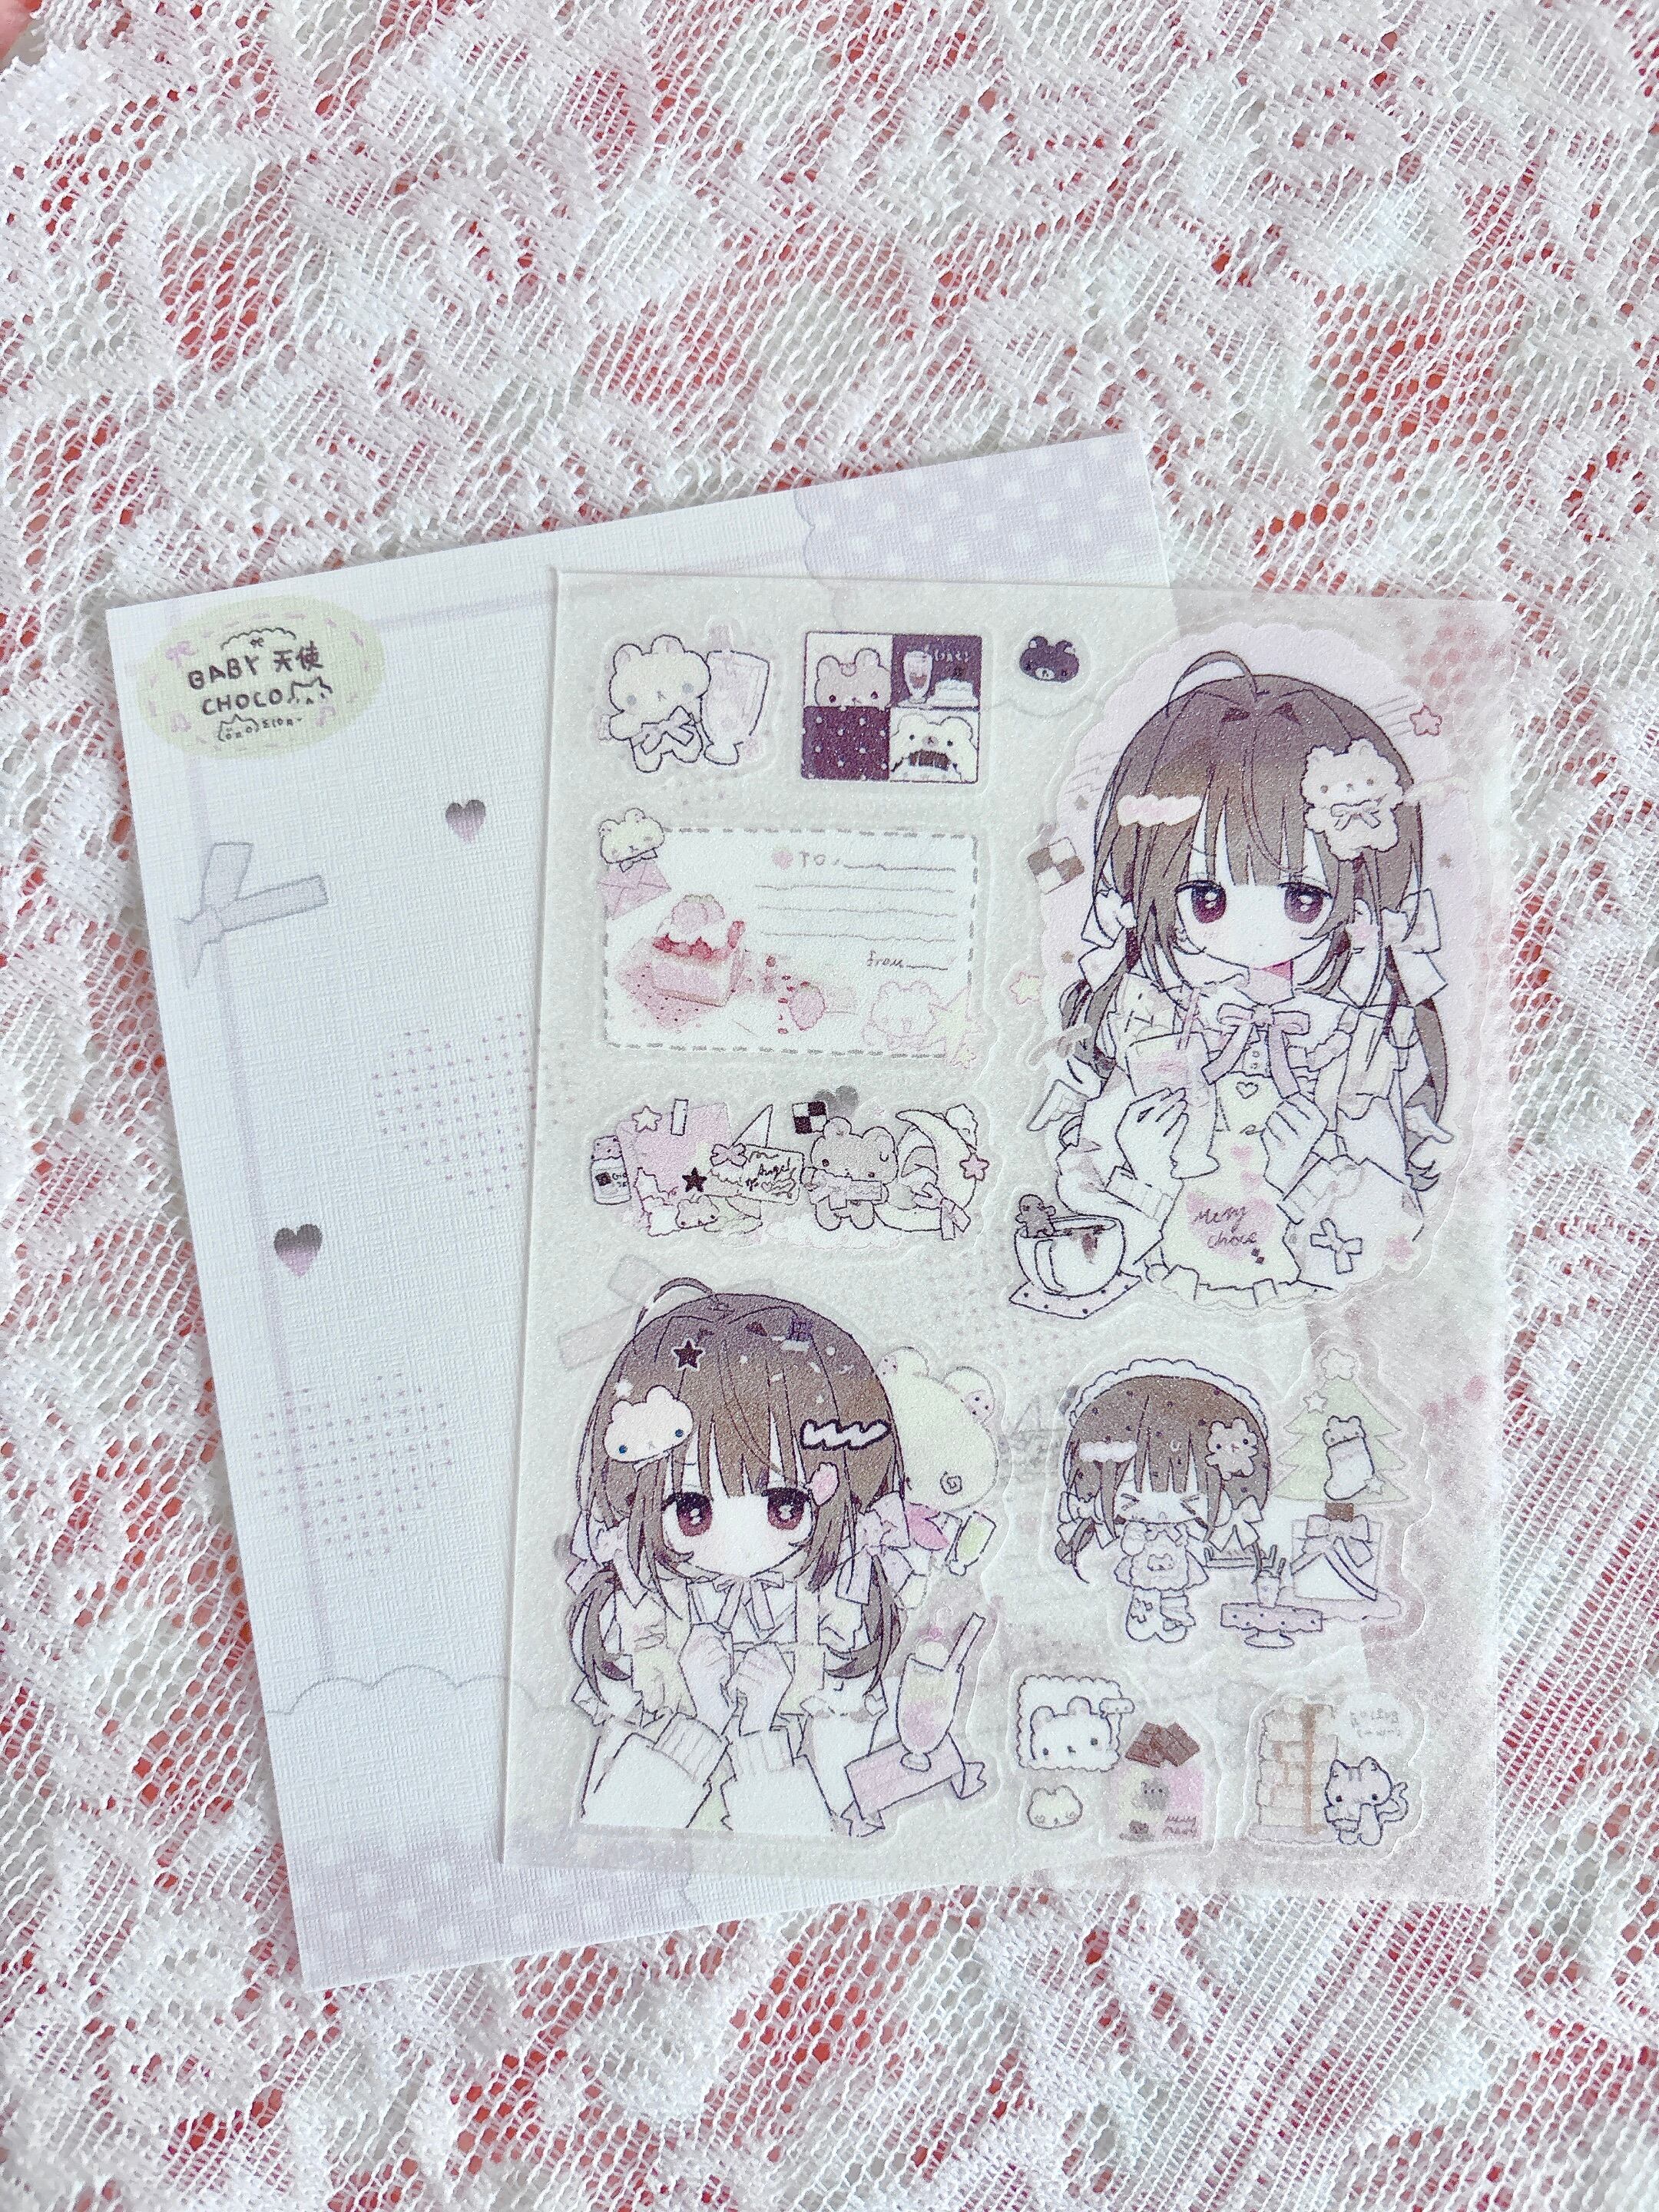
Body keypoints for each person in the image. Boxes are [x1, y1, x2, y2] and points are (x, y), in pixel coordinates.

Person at [1013, 651, 1450, 1313]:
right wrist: (1147, 1177)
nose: (1253, 947)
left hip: (1298, 1310)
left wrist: (1300, 1179)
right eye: (1207, 898)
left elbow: (1389, 1237)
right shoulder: (1146, 1028)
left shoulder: (1349, 1050)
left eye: (1302, 900)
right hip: (1162, 1305)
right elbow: (1092, 1219)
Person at [566, 1282, 910, 1834]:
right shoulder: (636, 1620)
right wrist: (701, 1719)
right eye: (692, 1510)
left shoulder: (836, 1621)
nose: (742, 1546)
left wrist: (759, 1732)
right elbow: (612, 1829)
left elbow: (825, 1840)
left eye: (784, 1506)